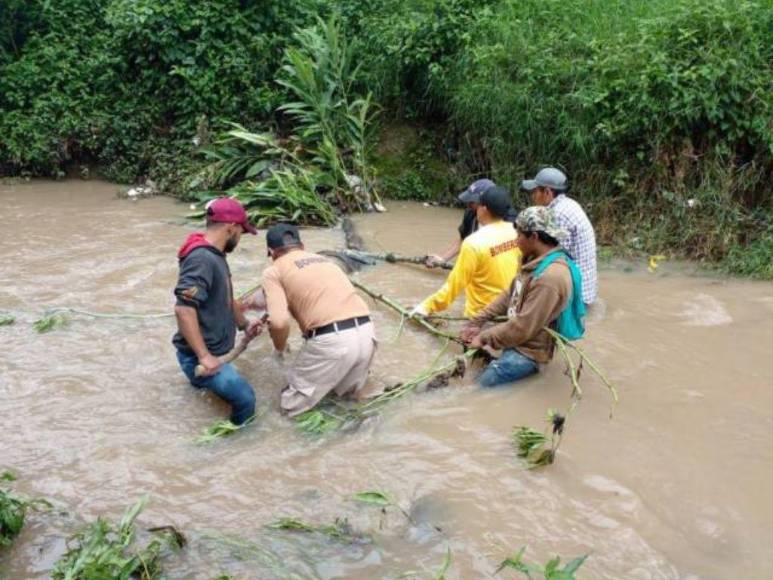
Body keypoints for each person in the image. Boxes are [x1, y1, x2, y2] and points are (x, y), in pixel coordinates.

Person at [460, 206, 584, 387]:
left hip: (528, 352)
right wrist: (477, 321)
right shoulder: (532, 260)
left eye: (519, 236)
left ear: (533, 237)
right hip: (516, 336)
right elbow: (510, 294)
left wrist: (484, 337)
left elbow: (524, 326)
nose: (515, 241)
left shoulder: (550, 278)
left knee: (475, 388)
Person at [261, 224, 378, 416]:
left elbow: (279, 322)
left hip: (332, 340)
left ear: (270, 252)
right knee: (347, 403)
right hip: (367, 332)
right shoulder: (325, 261)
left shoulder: (273, 271)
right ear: (303, 246)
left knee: (289, 409)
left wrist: (280, 349)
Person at [172, 198, 263, 425]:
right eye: (241, 232)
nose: (240, 239)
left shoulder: (214, 255)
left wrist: (244, 324)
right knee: (245, 400)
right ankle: (234, 446)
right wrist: (204, 356)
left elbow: (225, 297)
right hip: (200, 357)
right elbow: (184, 309)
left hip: (211, 355)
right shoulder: (202, 258)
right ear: (230, 228)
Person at [413, 186, 522, 318]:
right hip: (510, 311)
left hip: (481, 316)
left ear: (484, 209)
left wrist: (426, 307)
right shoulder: (517, 234)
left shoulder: (474, 243)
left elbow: (454, 285)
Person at [521, 167, 597, 305]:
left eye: (535, 191)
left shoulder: (557, 215)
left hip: (576, 296)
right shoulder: (569, 204)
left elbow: (550, 257)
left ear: (547, 192)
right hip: (584, 288)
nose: (533, 196)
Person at [425, 178, 495, 268]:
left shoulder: (508, 221)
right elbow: (463, 241)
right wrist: (442, 259)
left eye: (472, 202)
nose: (468, 205)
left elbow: (511, 248)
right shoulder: (470, 213)